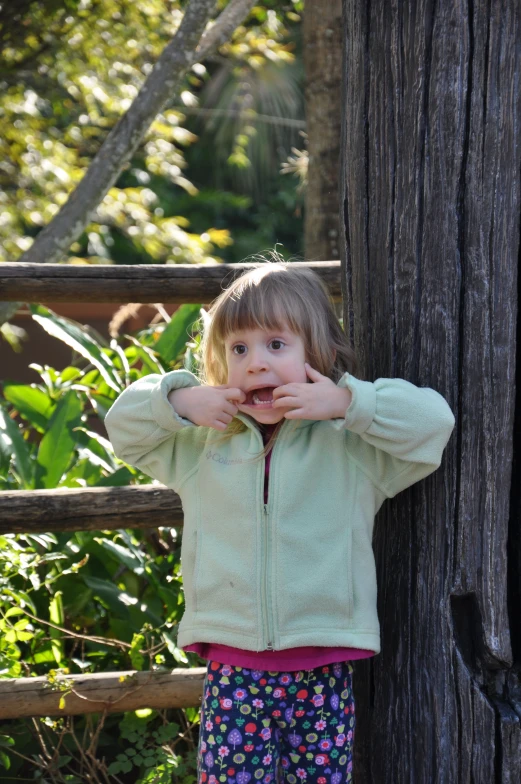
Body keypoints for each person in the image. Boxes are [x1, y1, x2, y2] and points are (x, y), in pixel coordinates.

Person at [104, 258, 455, 784]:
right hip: (234, 667)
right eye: (239, 348)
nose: (256, 364)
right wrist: (179, 399)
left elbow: (434, 424)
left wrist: (344, 402)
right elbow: (122, 427)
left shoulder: (350, 446)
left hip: (323, 665)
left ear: (319, 353)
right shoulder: (205, 443)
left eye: (276, 345)